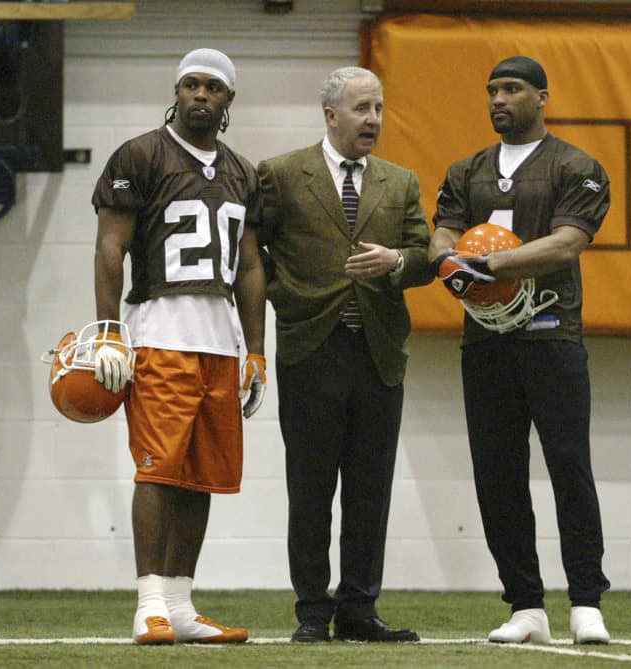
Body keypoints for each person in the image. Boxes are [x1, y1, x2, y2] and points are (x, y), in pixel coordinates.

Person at [428, 55, 612, 645]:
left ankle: (586, 601)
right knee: (498, 476)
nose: (498, 99)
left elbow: (567, 243)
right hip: (486, 342)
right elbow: (443, 231)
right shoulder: (466, 170)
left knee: (569, 468)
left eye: (512, 89)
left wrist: (492, 264)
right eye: (491, 90)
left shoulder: (576, 165)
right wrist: (445, 261)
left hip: (552, 335)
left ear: (543, 97)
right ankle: (526, 606)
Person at [91, 48, 267, 646]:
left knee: (202, 477)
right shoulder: (140, 154)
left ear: (228, 100)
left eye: (212, 88)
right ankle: (149, 604)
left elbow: (248, 266)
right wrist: (109, 328)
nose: (200, 96)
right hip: (160, 330)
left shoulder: (243, 170)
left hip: (220, 338)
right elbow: (110, 246)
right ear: (176, 90)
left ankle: (183, 603)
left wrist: (257, 351)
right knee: (159, 471)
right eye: (190, 85)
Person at [256, 66, 432, 643]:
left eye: (378, 108)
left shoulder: (400, 181)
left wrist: (397, 263)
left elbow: (425, 255)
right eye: (361, 109)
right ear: (331, 114)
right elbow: (252, 255)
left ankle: (359, 609)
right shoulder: (281, 175)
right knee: (309, 489)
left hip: (378, 354)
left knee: (369, 491)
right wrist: (277, 310)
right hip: (310, 350)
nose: (373, 120)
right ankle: (312, 611)